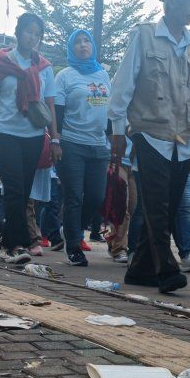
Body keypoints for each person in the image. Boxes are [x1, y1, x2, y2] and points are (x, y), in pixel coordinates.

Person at [109, 0, 190, 294]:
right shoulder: (144, 36)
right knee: (157, 206)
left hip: (186, 139)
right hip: (150, 133)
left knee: (169, 201)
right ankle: (166, 270)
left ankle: (140, 269)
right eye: (189, 0)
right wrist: (116, 130)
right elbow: (123, 85)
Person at [0, 12, 60, 264]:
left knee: (24, 192)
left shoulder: (44, 68)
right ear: (18, 32)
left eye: (38, 34)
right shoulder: (2, 63)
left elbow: (50, 105)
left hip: (34, 135)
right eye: (29, 31)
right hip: (5, 133)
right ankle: (16, 245)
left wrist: (55, 139)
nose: (33, 38)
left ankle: (9, 242)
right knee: (13, 189)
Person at [54, 29, 111, 267]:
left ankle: (71, 228)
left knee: (97, 196)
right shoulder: (65, 76)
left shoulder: (103, 75)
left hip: (99, 145)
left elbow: (110, 111)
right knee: (74, 196)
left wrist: (113, 139)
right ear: (71, 48)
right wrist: (55, 140)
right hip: (71, 142)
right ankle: (74, 246)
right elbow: (56, 112)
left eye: (87, 40)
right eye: (77, 42)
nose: (83, 45)